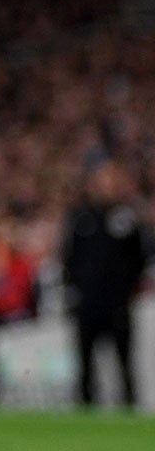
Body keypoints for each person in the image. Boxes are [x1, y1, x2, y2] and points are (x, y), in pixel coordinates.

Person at [62, 161, 150, 408]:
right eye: (102, 183)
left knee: (123, 361)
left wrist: (126, 290)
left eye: (111, 183)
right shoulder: (81, 218)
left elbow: (138, 259)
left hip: (117, 303)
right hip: (88, 303)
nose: (107, 188)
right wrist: (74, 289)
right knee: (85, 363)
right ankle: (85, 408)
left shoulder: (127, 219)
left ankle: (128, 406)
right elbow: (69, 257)